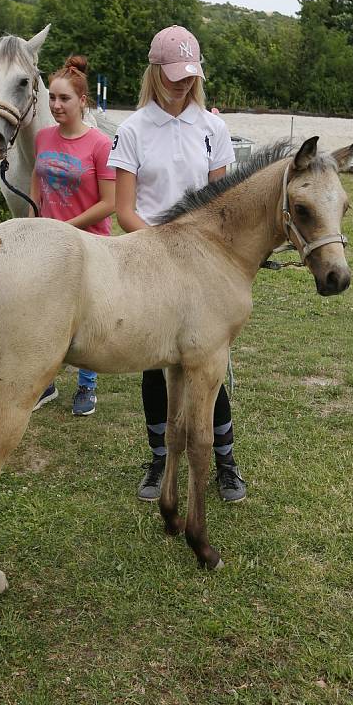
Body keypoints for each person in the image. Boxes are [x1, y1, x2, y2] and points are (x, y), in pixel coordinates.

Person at [107, 25, 246, 503]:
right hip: (153, 260)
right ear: (154, 72)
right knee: (154, 364)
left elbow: (223, 203)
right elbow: (125, 209)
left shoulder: (213, 128)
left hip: (205, 266)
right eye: (173, 76)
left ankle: (225, 459)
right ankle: (159, 458)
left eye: (190, 76)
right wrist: (164, 247)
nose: (182, 84)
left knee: (208, 365)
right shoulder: (132, 130)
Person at [31, 55, 115, 416]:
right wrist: (36, 219)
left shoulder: (100, 144)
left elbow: (110, 203)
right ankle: (45, 383)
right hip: (48, 242)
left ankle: (87, 386)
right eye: (51, 97)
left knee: (86, 318)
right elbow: (37, 180)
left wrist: (68, 227)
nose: (56, 105)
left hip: (89, 244)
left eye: (64, 98)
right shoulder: (42, 137)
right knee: (44, 313)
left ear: (83, 101)